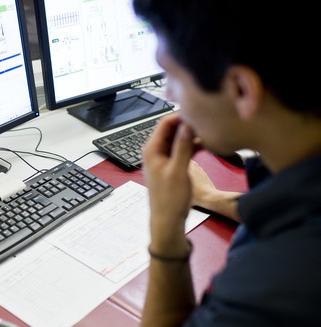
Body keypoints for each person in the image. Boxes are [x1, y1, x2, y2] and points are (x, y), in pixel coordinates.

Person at [133, 0, 321, 326]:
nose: (169, 94)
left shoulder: (264, 294)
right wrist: (208, 196)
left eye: (173, 76)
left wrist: (165, 230)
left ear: (241, 89)